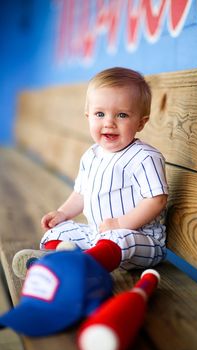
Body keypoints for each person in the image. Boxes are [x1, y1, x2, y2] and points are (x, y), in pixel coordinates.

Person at [12, 67, 168, 279]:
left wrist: (120, 224)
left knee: (119, 240)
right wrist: (62, 213)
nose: (109, 122)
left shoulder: (144, 157)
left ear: (141, 122)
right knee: (59, 231)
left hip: (139, 237)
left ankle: (83, 265)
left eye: (122, 115)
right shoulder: (92, 155)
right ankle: (53, 260)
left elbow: (156, 200)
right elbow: (81, 193)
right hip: (97, 233)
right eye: (100, 114)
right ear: (89, 117)